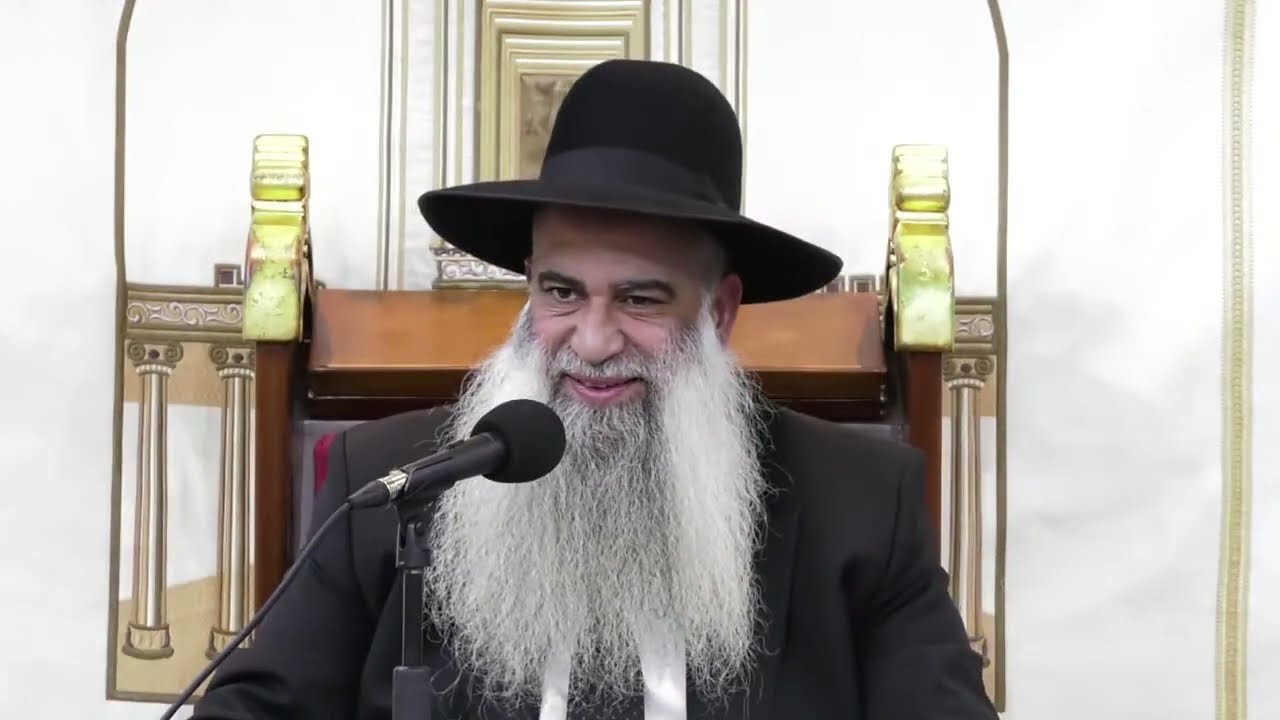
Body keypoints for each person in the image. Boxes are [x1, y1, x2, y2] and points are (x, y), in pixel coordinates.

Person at [193, 59, 996, 719]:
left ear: (718, 313)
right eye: (562, 291)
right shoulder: (393, 484)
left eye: (641, 299)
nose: (593, 341)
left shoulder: (861, 504)